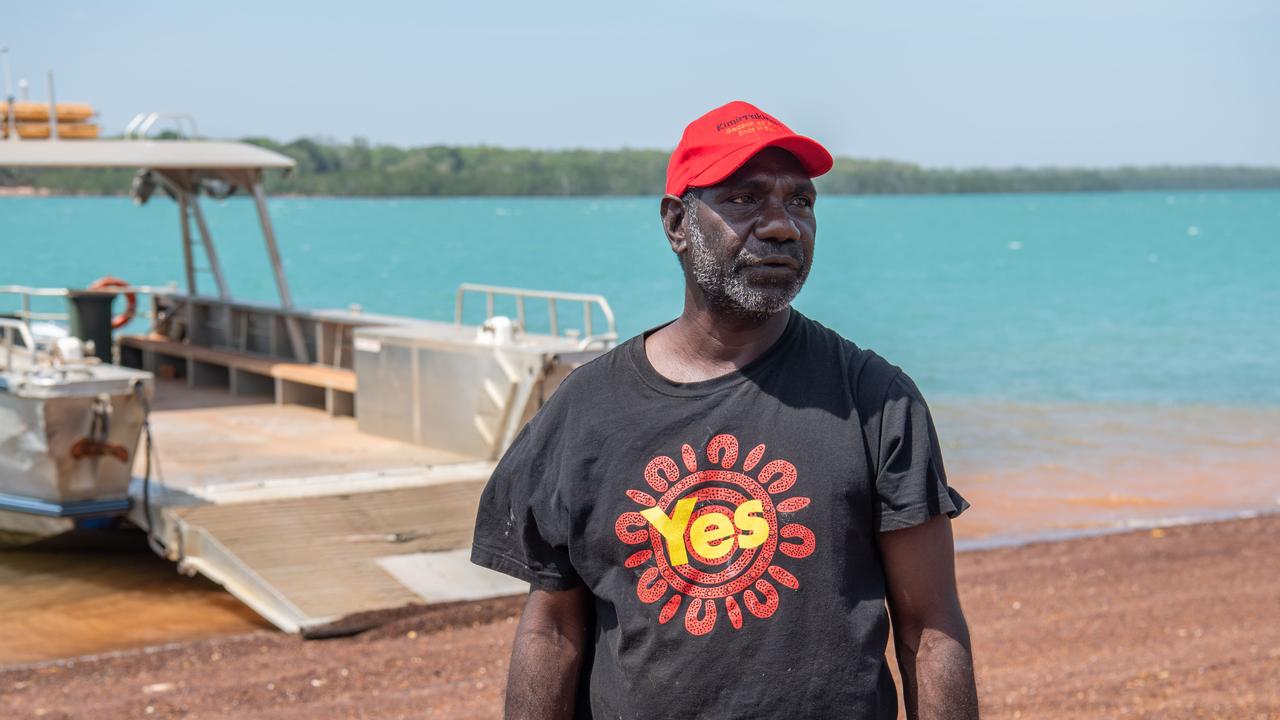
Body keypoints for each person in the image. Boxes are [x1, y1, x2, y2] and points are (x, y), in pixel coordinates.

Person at [471, 100, 978, 719]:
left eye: (801, 202)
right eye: (744, 199)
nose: (782, 226)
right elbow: (552, 627)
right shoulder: (588, 409)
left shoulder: (876, 400)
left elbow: (930, 630)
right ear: (676, 223)